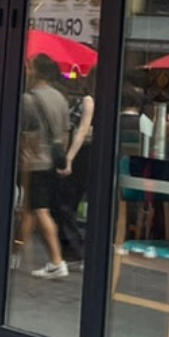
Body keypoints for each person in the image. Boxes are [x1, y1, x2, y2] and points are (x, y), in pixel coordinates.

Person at [17, 53, 71, 279]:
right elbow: (65, 133)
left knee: (40, 210)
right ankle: (14, 253)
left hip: (34, 161)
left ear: (37, 72)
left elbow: (23, 133)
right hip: (52, 161)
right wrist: (62, 158)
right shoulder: (60, 98)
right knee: (30, 209)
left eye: (30, 68)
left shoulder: (28, 100)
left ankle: (57, 261)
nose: (27, 71)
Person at [53, 66, 94, 269]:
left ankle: (76, 250)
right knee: (64, 202)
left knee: (66, 202)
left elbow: (82, 131)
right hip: (74, 151)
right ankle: (71, 249)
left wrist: (69, 158)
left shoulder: (88, 100)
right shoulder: (73, 100)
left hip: (81, 154)